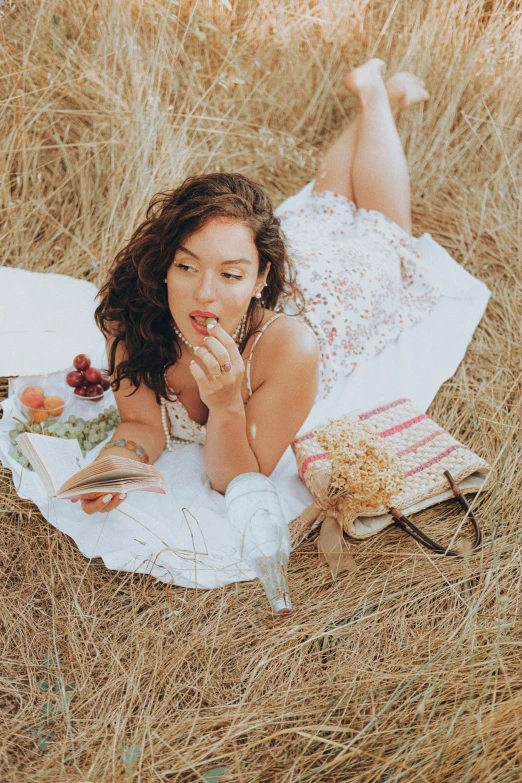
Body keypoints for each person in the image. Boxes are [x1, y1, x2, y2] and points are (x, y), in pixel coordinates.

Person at [74, 58, 439, 516]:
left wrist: (227, 405)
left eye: (229, 275)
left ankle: (377, 98)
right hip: (278, 264)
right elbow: (140, 424)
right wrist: (116, 462)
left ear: (259, 277)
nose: (204, 293)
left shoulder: (290, 348)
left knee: (386, 234)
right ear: (164, 263)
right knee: (326, 205)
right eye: (187, 268)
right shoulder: (128, 317)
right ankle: (379, 97)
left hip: (336, 294)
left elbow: (236, 479)